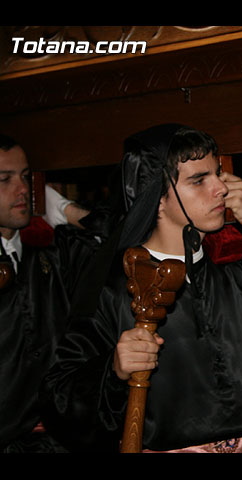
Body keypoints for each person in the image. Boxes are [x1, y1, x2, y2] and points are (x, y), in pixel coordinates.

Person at [40, 124, 242, 452]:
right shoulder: (114, 288)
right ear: (156, 196)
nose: (221, 189)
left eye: (217, 174)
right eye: (199, 180)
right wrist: (113, 370)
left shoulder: (235, 266)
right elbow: (60, 400)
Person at [0, 134, 94, 452]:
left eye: (26, 177)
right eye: (5, 179)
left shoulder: (51, 250)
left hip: (60, 437)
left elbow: (117, 238)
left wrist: (62, 208)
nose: (22, 189)